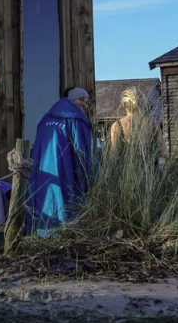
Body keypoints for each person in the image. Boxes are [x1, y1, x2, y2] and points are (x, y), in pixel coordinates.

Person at [25, 87, 96, 235]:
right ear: (70, 100)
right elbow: (84, 154)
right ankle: (64, 235)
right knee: (66, 208)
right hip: (67, 173)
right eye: (80, 99)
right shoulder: (77, 121)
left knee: (43, 204)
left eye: (87, 101)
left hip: (43, 174)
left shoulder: (45, 120)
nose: (84, 104)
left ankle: (40, 234)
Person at [110, 88, 168, 166]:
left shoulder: (117, 126)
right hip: (151, 174)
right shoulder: (152, 123)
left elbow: (114, 154)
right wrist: (160, 172)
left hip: (126, 175)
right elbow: (163, 153)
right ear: (141, 103)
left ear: (124, 104)